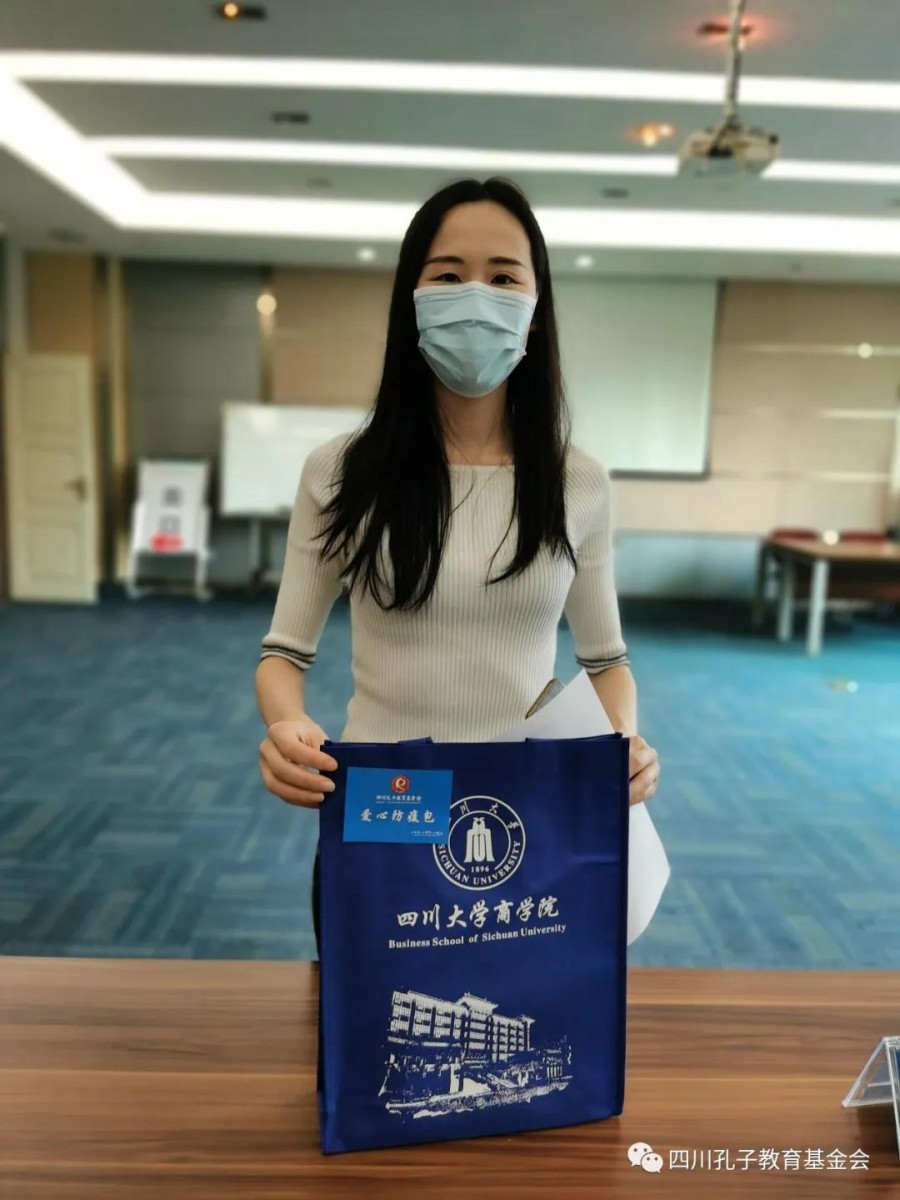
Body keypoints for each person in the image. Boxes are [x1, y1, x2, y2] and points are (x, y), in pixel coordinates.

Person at [255, 176, 661, 953]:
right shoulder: (341, 472)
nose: (476, 296)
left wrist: (624, 746)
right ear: (412, 299)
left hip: (526, 808)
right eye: (448, 274)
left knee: (517, 1016)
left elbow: (607, 662)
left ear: (536, 308)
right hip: (387, 801)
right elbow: (283, 654)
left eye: (504, 277)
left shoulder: (577, 481)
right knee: (374, 1016)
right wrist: (289, 727)